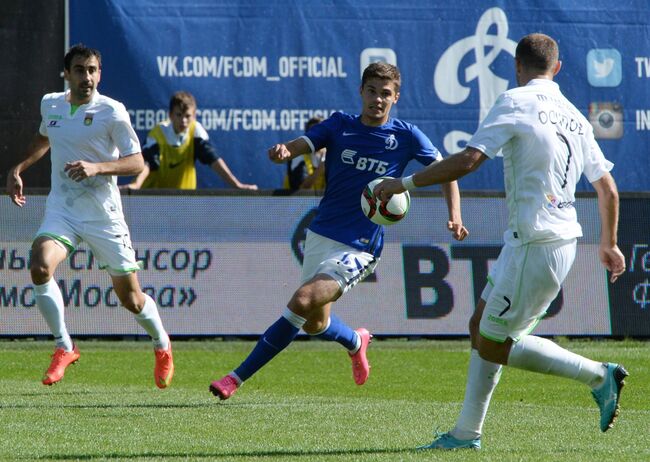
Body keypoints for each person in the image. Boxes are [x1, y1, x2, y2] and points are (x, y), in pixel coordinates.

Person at [374, 33, 628, 449]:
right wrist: (610, 243)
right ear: (557, 68)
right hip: (547, 242)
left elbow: (470, 160)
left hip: (536, 242)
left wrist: (402, 182)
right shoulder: (574, 116)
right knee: (480, 327)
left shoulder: (515, 101)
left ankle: (600, 375)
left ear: (516, 66)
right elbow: (609, 190)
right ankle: (465, 433)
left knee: (494, 342)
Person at [209, 62, 469, 400]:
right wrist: (287, 149)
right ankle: (355, 340)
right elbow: (305, 141)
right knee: (315, 323)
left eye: (385, 94)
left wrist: (455, 215)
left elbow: (446, 171)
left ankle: (234, 378)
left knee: (302, 301)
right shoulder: (340, 125)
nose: (377, 99)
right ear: (361, 92)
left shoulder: (406, 136)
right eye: (372, 91)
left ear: (396, 98)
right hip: (321, 234)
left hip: (360, 247)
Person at [5, 44, 174, 388]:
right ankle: (64, 347)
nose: (87, 77)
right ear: (66, 74)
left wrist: (97, 167)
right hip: (63, 208)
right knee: (39, 266)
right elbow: (44, 138)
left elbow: (136, 162)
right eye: (80, 70)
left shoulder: (112, 111)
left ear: (100, 73)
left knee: (131, 298)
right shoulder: (51, 103)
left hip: (103, 214)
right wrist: (19, 167)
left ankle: (162, 344)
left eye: (93, 70)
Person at [125, 91, 258, 190]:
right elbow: (148, 163)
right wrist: (136, 184)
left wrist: (236, 185)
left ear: (194, 116)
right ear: (170, 115)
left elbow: (213, 159)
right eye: (179, 115)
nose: (183, 120)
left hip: (184, 201)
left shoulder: (196, 131)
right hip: (153, 199)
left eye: (188, 116)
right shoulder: (158, 133)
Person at [284, 116, 326, 192]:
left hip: (325, 202)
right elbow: (301, 189)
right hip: (298, 202)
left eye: (321, 133)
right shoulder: (298, 156)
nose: (317, 137)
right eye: (314, 134)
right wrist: (321, 168)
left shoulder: (330, 154)